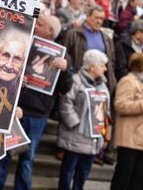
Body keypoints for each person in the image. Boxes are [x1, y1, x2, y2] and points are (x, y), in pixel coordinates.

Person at [0, 14, 73, 190]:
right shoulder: (22, 45)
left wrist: (66, 70)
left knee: (28, 159)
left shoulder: (62, 55)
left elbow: (65, 88)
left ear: (50, 31)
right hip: (12, 107)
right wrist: (18, 78)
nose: (35, 26)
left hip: (38, 114)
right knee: (2, 155)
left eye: (40, 24)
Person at [57, 49, 110, 190]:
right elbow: (65, 103)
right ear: (92, 66)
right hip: (76, 133)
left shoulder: (103, 86)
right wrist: (76, 123)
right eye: (102, 65)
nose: (105, 69)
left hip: (93, 136)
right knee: (68, 170)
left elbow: (105, 111)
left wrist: (103, 130)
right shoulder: (75, 80)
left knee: (84, 172)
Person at [110, 52, 143, 190]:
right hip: (130, 137)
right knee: (123, 176)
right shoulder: (128, 81)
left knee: (137, 179)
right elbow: (120, 105)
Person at [62, 4, 116, 96]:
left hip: (98, 85)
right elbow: (65, 56)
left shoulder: (107, 39)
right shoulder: (73, 34)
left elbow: (112, 62)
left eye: (102, 19)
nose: (99, 21)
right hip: (77, 82)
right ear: (88, 17)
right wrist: (70, 76)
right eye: (96, 18)